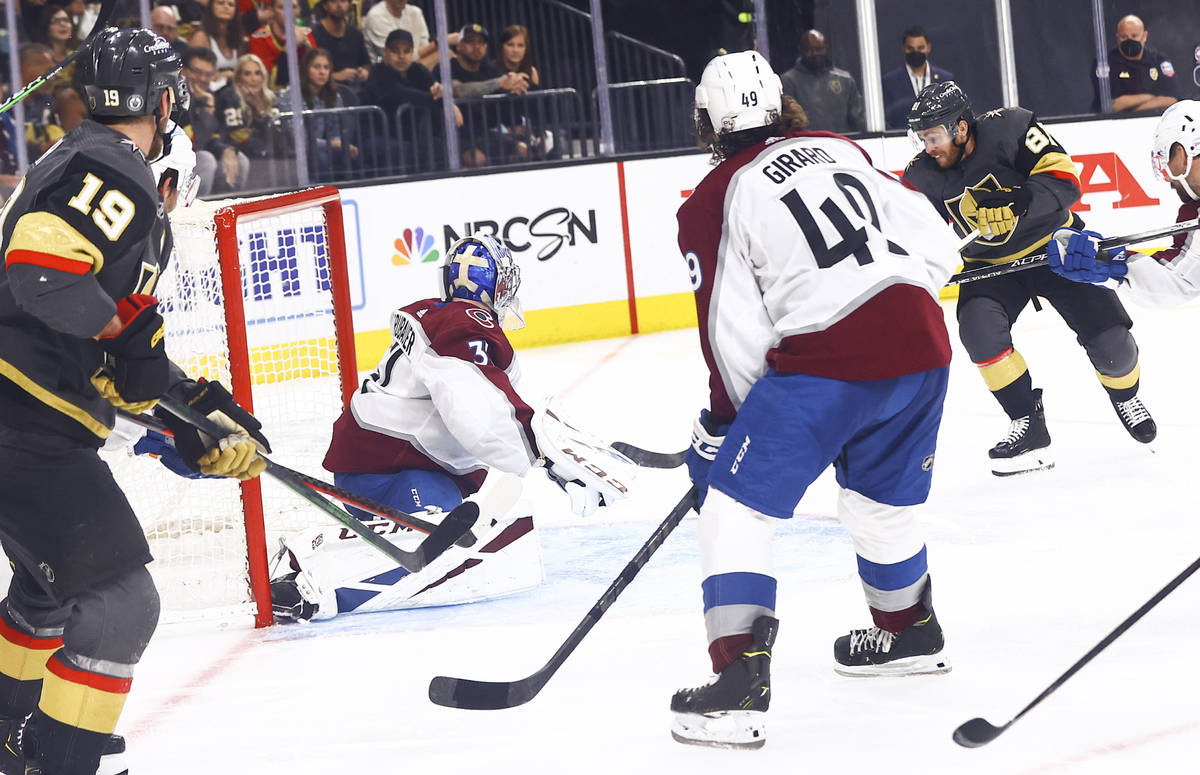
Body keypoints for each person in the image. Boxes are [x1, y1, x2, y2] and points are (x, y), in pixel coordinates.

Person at [669, 51, 959, 750]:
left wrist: (726, 428)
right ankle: (909, 630)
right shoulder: (837, 146)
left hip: (829, 358)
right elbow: (934, 241)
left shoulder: (710, 199)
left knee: (735, 504)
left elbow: (730, 326)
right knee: (880, 503)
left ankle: (738, 681)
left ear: (708, 121)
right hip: (921, 343)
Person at [0, 28, 269, 774]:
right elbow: (41, 273)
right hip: (24, 423)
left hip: (27, 420)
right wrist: (128, 337)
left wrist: (192, 408)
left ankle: (9, 739)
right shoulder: (112, 165)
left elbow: (113, 355)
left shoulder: (93, 161)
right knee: (122, 605)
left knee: (46, 593)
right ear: (157, 97)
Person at [268, 234, 612, 621]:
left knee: (456, 540)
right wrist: (545, 456)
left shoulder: (442, 317)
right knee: (443, 554)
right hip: (399, 473)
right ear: (496, 284)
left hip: (377, 469)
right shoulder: (468, 324)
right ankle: (310, 589)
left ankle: (327, 554)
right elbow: (476, 410)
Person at [903, 81, 1156, 476]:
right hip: (988, 269)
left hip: (1056, 247)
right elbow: (918, 234)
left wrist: (1021, 200)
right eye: (921, 138)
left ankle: (1125, 395)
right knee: (979, 333)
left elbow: (1067, 181)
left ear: (962, 128)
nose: (928, 146)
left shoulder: (1012, 127)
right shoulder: (920, 175)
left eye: (933, 136)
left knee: (1113, 345)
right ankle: (1027, 422)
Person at [1048, 100, 1200, 308]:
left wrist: (1112, 264)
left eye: (1166, 160)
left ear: (1182, 154)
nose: (1170, 181)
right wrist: (1109, 262)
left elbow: (1181, 282)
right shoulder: (1194, 212)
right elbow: (1181, 278)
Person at [361, 28, 459, 173]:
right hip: (379, 136)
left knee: (440, 145)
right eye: (395, 51)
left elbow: (437, 89)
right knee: (401, 151)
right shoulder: (377, 72)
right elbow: (398, 93)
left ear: (412, 53)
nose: (401, 56)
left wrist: (449, 102)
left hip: (414, 136)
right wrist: (435, 98)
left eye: (406, 51)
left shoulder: (418, 70)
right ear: (385, 52)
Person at [452, 23, 530, 168]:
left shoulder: (489, 68)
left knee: (522, 150)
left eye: (481, 42)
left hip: (487, 134)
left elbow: (506, 85)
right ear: (459, 46)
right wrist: (499, 83)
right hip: (459, 136)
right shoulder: (449, 66)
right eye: (470, 42)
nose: (477, 47)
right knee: (477, 159)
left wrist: (515, 84)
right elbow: (460, 90)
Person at [278, 48, 358, 181]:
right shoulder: (291, 96)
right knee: (320, 156)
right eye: (316, 67)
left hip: (323, 147)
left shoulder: (334, 95)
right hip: (295, 153)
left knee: (350, 153)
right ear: (306, 69)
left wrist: (341, 144)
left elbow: (336, 133)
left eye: (326, 68)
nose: (322, 72)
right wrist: (332, 144)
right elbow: (300, 140)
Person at [214, 53, 287, 182]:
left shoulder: (272, 99)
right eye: (247, 74)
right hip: (248, 158)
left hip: (278, 160)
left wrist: (260, 110)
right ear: (239, 77)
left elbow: (281, 137)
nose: (253, 79)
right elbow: (236, 136)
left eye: (257, 73)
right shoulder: (229, 97)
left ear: (263, 76)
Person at [778, 28, 865, 134]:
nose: (815, 54)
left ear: (826, 49)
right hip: (806, 145)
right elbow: (787, 122)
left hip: (842, 144)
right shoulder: (788, 81)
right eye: (809, 50)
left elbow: (859, 120)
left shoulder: (845, 80)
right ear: (801, 51)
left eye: (819, 49)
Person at [1092, 14, 1178, 114]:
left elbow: (1172, 100)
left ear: (1144, 36)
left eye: (1134, 36)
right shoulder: (1106, 64)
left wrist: (1137, 111)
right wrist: (1152, 97)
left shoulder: (1159, 60)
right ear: (1118, 38)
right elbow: (1113, 105)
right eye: (1124, 37)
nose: (1129, 40)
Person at [881, 25, 954, 130]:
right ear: (903, 48)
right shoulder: (889, 82)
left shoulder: (945, 79)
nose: (916, 52)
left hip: (940, 139)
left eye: (920, 48)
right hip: (902, 139)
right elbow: (887, 120)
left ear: (928, 47)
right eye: (910, 48)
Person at [247, 0, 316, 90]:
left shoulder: (306, 34)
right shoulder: (259, 39)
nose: (289, 12)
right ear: (272, 10)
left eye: (293, 7)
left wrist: (309, 50)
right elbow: (268, 82)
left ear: (299, 10)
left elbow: (317, 76)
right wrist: (289, 47)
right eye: (282, 8)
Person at [186, 0, 247, 92]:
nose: (226, 7)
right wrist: (220, 75)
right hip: (205, 90)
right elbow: (193, 72)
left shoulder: (238, 40)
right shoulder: (201, 37)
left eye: (231, 4)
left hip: (233, 92)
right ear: (211, 7)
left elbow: (242, 71)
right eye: (221, 3)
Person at [311, 0, 370, 87]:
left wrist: (363, 72)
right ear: (325, 6)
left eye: (343, 1)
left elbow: (366, 64)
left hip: (354, 91)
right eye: (333, 1)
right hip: (324, 90)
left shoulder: (356, 34)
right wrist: (336, 76)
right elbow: (306, 71)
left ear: (349, 4)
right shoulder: (312, 35)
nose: (339, 5)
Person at [361, 0, 435, 66]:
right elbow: (395, 58)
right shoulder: (375, 16)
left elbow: (425, 47)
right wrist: (438, 44)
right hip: (386, 71)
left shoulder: (416, 12)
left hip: (416, 65)